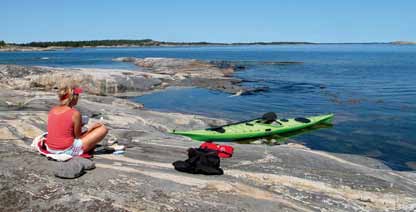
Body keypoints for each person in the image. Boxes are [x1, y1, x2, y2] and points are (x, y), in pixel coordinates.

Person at [45, 85, 108, 156]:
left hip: (50, 148)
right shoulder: (75, 114)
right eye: (77, 95)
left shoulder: (52, 110)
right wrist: (91, 128)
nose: (78, 97)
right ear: (73, 97)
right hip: (66, 150)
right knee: (103, 129)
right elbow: (78, 137)